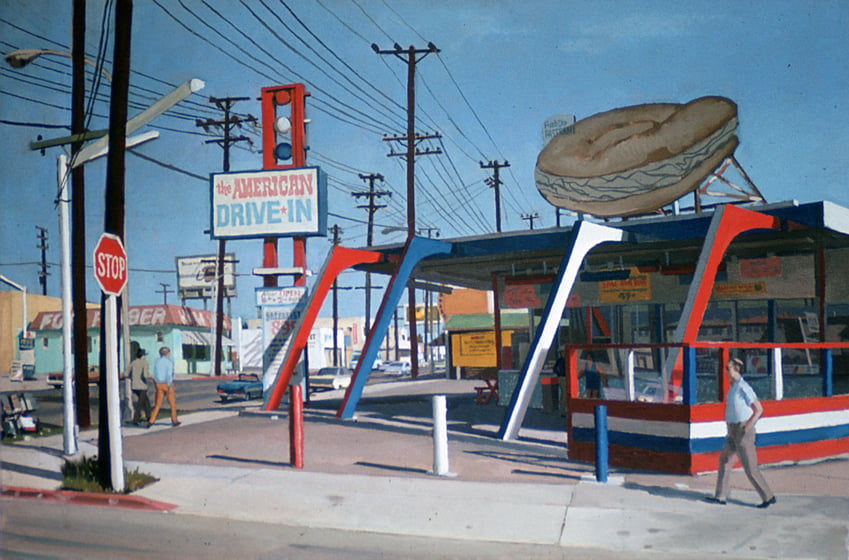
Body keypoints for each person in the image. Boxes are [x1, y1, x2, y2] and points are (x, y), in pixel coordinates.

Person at [706, 357, 775, 508]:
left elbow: (759, 409)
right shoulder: (733, 387)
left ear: (736, 369)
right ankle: (720, 496)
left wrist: (747, 426)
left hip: (743, 430)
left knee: (750, 467)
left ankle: (767, 496)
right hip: (732, 431)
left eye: (728, 368)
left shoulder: (744, 387)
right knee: (724, 461)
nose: (726, 372)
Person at [148, 346, 180, 427]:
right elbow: (169, 374)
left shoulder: (157, 361)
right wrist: (169, 384)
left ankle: (151, 421)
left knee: (157, 404)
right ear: (167, 353)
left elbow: (155, 373)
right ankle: (174, 420)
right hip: (167, 384)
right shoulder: (169, 362)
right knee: (172, 403)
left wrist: (156, 382)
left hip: (158, 384)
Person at [129, 348, 152, 425]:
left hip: (134, 386)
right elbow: (145, 375)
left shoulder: (133, 363)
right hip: (142, 386)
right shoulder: (145, 363)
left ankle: (149, 416)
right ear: (143, 356)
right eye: (144, 355)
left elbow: (126, 373)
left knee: (146, 401)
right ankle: (135, 419)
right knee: (140, 403)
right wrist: (149, 377)